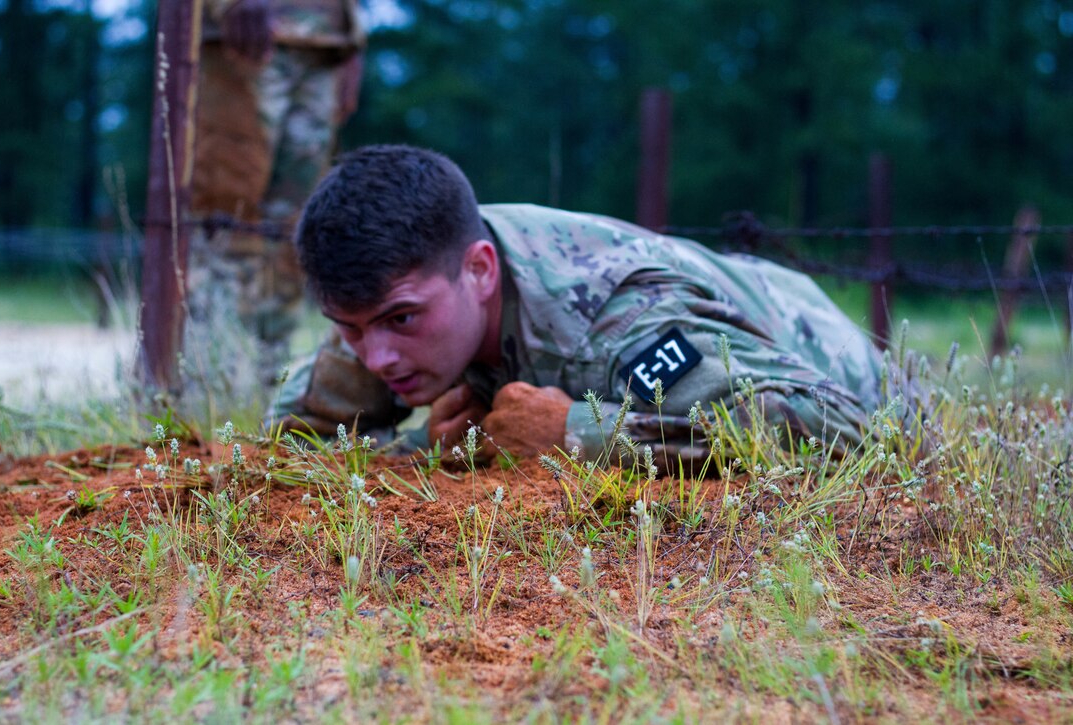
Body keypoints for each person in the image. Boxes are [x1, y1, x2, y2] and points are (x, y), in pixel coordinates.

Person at [271, 144, 886, 463]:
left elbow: (843, 431)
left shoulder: (618, 326)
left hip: (841, 365)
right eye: (348, 329)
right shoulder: (388, 295)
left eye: (399, 321)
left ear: (478, 270)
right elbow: (294, 442)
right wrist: (424, 449)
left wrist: (576, 432)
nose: (375, 357)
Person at [187, 0, 366, 385]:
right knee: (227, 204)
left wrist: (353, 37)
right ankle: (205, 378)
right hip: (244, 35)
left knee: (295, 221)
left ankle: (272, 380)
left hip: (324, 45)